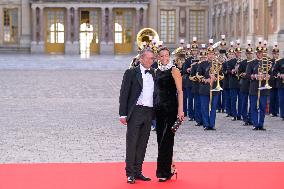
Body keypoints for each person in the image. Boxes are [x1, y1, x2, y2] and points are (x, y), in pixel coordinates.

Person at [119, 48, 155, 184]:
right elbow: (124, 95)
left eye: (153, 58)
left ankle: (138, 171)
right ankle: (130, 173)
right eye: (150, 58)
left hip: (149, 112)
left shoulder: (153, 73)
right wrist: (122, 114)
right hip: (136, 111)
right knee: (132, 143)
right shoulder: (131, 73)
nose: (152, 60)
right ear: (141, 59)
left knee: (142, 143)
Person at [154, 46, 185, 182]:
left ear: (169, 56)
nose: (164, 58)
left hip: (171, 109)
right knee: (160, 140)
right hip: (159, 110)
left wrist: (181, 110)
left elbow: (180, 91)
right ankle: (170, 167)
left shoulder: (174, 70)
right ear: (158, 57)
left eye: (166, 55)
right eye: (162, 56)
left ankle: (164, 172)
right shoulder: (156, 71)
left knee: (167, 140)